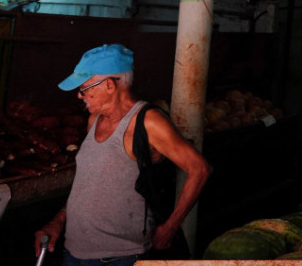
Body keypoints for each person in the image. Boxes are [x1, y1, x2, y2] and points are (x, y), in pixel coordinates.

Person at [33, 44, 212, 266]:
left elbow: (200, 169)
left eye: (85, 88)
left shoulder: (148, 122)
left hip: (121, 258)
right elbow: (88, 185)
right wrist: (58, 221)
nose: (80, 95)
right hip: (74, 252)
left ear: (108, 85)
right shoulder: (94, 120)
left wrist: (171, 227)